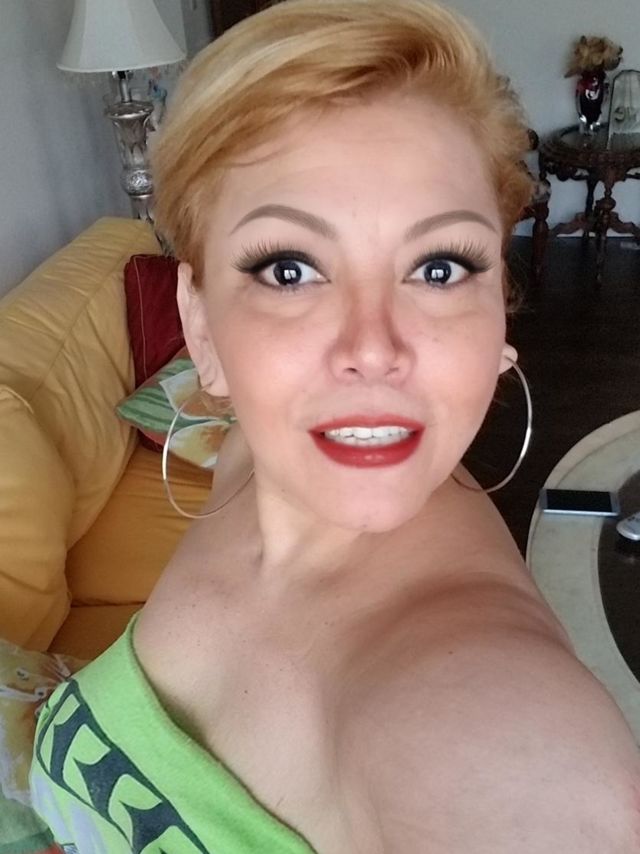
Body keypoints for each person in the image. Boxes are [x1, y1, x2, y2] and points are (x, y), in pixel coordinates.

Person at [30, 1, 640, 851]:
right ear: (201, 327)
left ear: (499, 319)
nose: (373, 352)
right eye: (290, 270)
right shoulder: (253, 456)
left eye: (438, 267)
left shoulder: (489, 720)